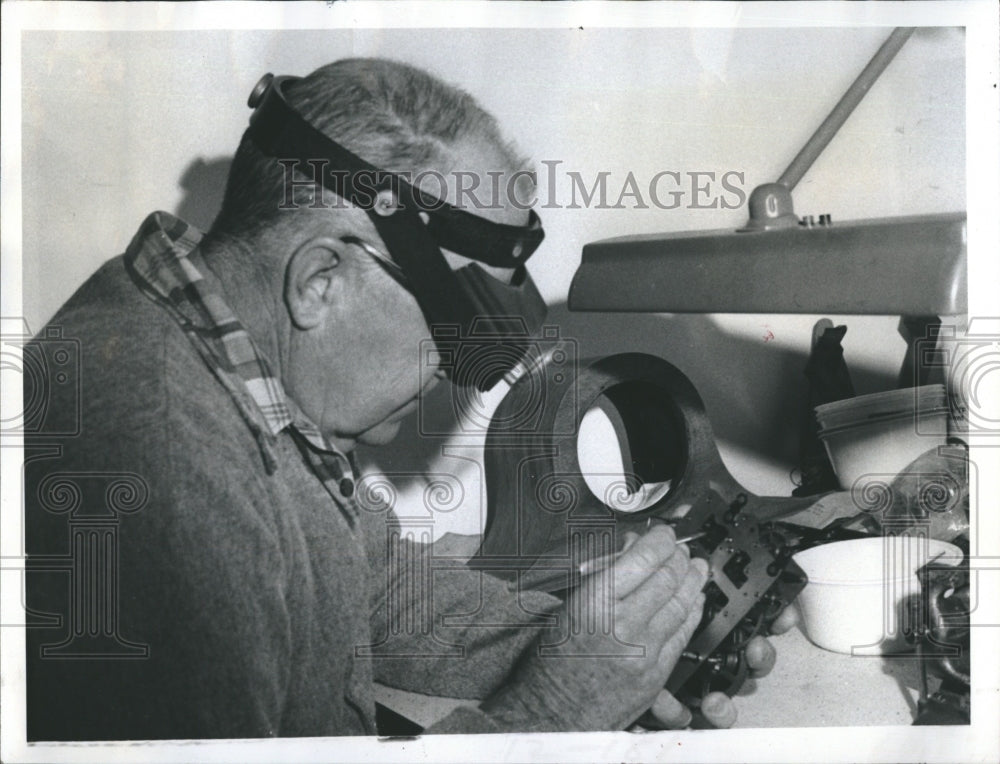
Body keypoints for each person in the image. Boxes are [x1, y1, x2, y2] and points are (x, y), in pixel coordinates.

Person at [24, 57, 789, 740]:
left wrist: (613, 646)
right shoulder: (158, 459)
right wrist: (553, 715)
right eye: (455, 329)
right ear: (321, 282)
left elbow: (380, 591)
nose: (463, 375)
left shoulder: (238, 368)